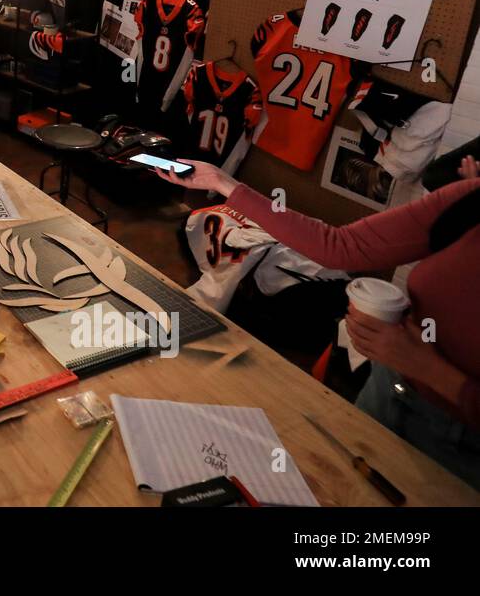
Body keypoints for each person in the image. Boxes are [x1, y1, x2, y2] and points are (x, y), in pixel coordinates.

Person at [154, 156, 480, 489]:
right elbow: (339, 245)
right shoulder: (469, 197)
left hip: (462, 445)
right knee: (344, 487)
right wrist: (225, 184)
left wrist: (426, 365)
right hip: (390, 386)